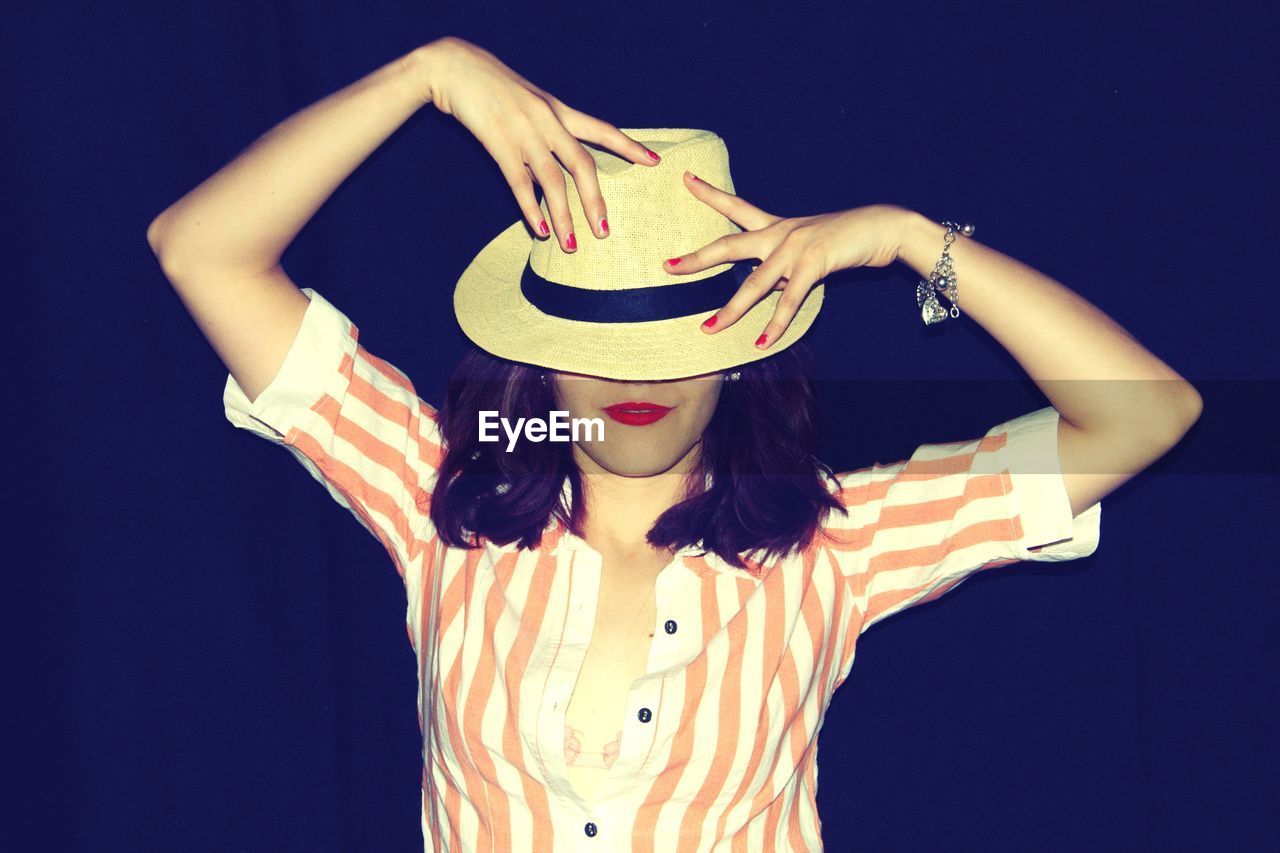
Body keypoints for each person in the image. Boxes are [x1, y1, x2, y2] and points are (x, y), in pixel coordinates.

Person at [147, 35, 1202, 852]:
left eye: (674, 343)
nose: (634, 380)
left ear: (742, 355)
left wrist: (905, 238)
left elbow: (1145, 412)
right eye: (594, 339)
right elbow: (200, 252)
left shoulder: (835, 542)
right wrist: (431, 73)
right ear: (536, 360)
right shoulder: (438, 491)